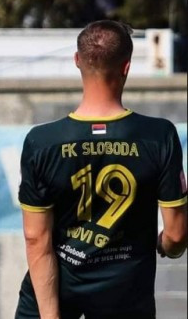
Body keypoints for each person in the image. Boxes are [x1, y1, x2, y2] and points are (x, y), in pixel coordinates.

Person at [15, 20, 187, 319]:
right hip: (125, 295)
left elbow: (36, 239)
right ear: (126, 67)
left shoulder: (42, 142)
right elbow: (177, 235)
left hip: (54, 292)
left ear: (77, 61)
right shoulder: (158, 136)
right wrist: (166, 246)